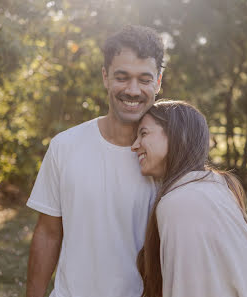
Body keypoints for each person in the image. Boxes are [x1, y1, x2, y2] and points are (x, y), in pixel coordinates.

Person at [26, 25, 164, 297]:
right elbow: (48, 233)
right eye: (122, 77)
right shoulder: (64, 146)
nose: (133, 90)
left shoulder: (169, 157)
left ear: (158, 81)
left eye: (144, 79)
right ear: (105, 77)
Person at [131, 100, 247, 297]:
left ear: (176, 136)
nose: (134, 145)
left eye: (144, 133)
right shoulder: (213, 188)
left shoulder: (181, 203)